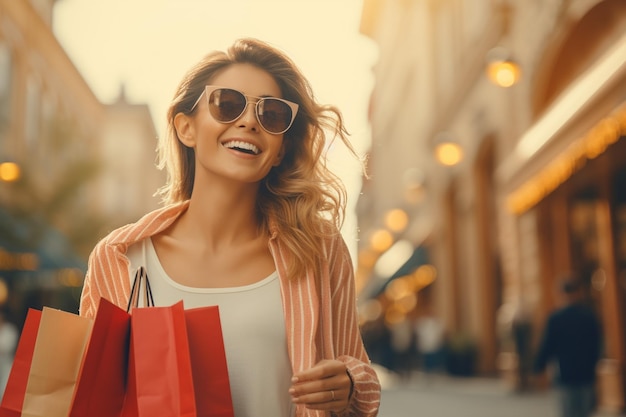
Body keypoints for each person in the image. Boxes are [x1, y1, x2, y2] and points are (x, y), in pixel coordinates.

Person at [79, 38, 381, 417]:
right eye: (227, 104)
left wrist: (349, 383)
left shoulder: (318, 247)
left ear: (281, 150)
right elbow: (92, 399)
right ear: (186, 128)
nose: (250, 121)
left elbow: (359, 372)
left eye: (272, 114)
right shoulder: (118, 257)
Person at [534, 275, 602, 417]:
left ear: (561, 294)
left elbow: (548, 344)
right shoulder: (589, 316)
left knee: (568, 412)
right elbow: (597, 345)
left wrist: (538, 366)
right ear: (579, 292)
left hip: (565, 374)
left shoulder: (556, 318)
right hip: (586, 374)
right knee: (584, 412)